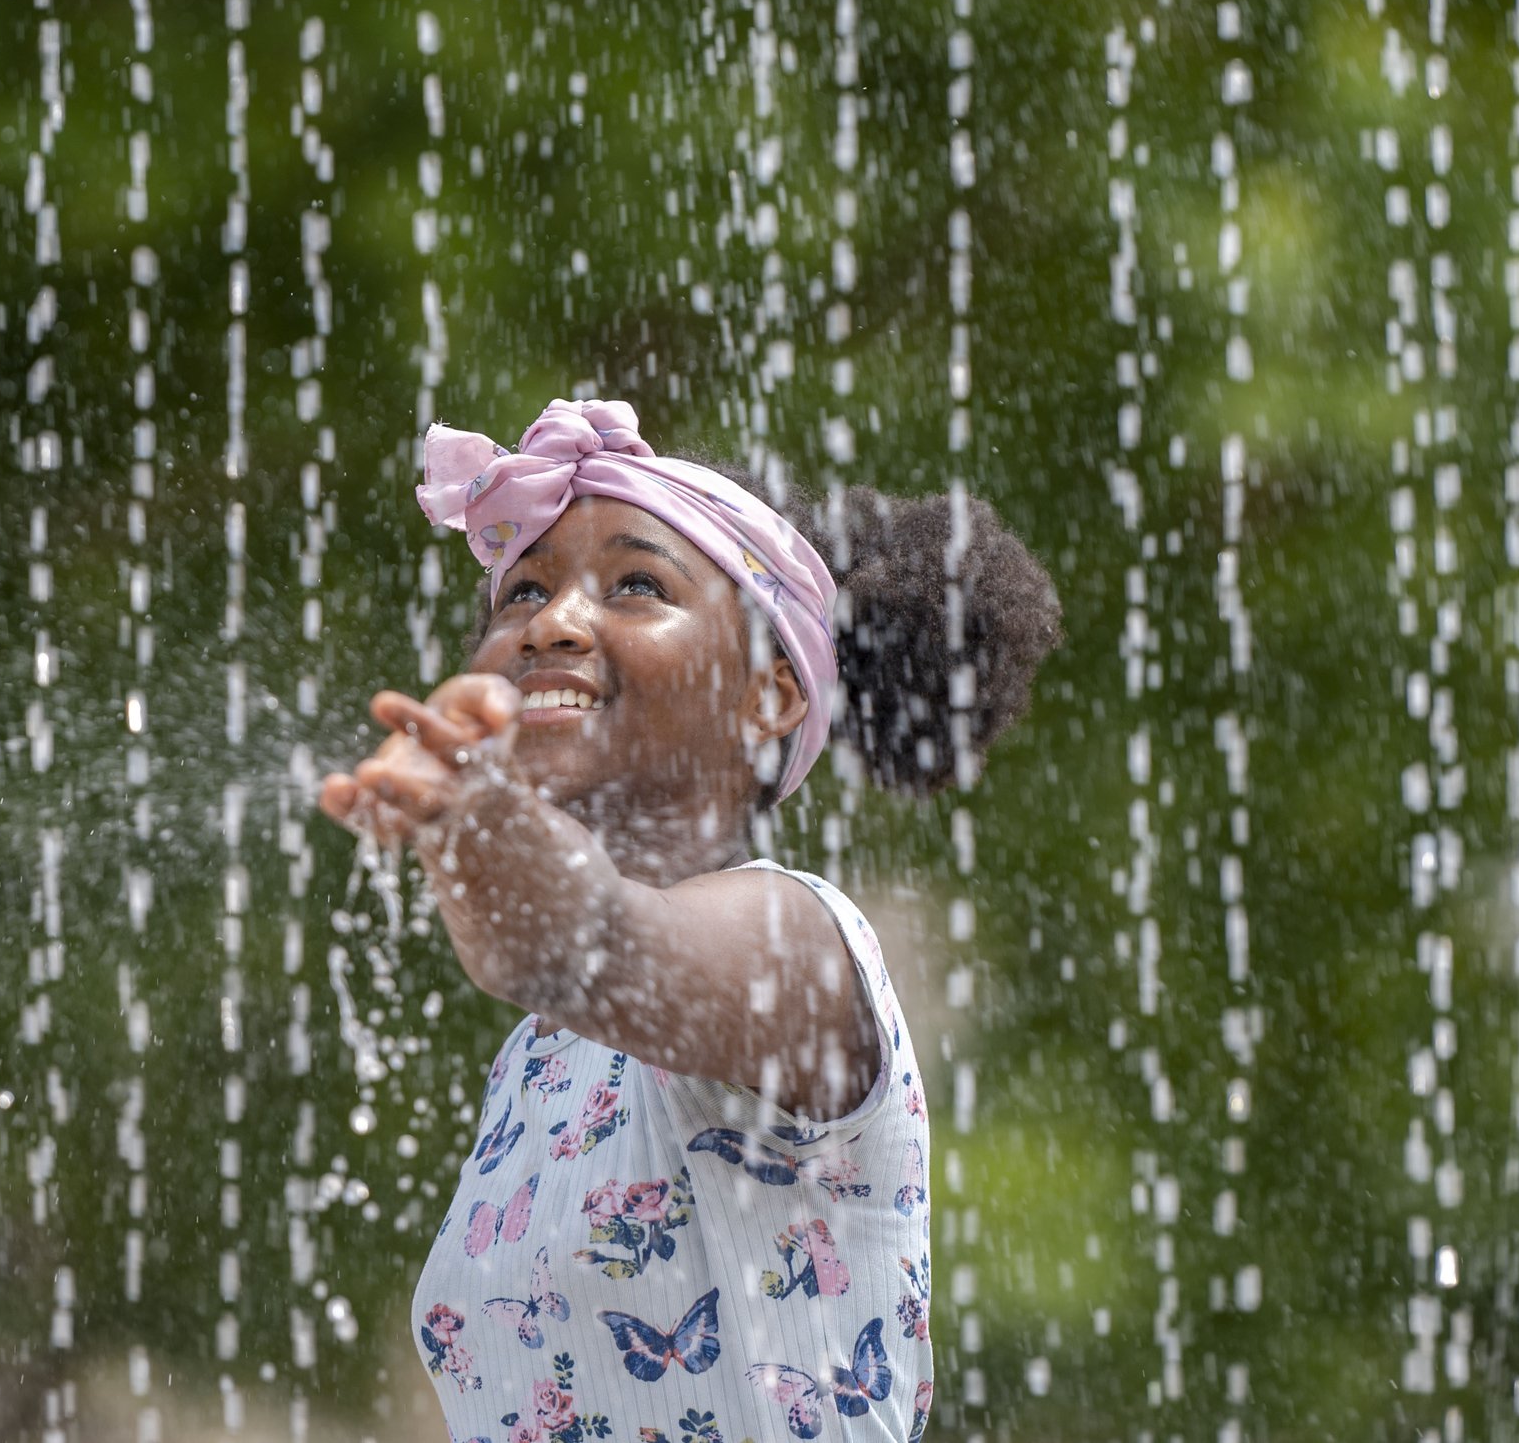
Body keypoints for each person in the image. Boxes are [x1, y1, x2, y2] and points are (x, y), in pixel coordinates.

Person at [318, 398, 1058, 1443]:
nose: (553, 622)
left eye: (636, 584)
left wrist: (466, 811)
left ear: (770, 696)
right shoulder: (538, 1061)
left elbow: (576, 940)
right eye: (521, 589)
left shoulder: (795, 943)